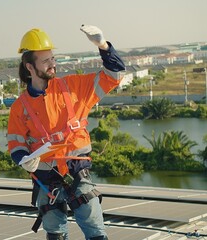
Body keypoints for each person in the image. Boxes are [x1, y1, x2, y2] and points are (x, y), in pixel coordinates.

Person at [7, 25, 126, 240]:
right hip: (45, 179)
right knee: (55, 234)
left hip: (77, 173)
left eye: (53, 58)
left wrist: (103, 45)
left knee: (97, 233)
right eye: (46, 61)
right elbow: (16, 144)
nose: (53, 64)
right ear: (29, 68)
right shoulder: (20, 107)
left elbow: (115, 75)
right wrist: (23, 159)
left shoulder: (74, 87)